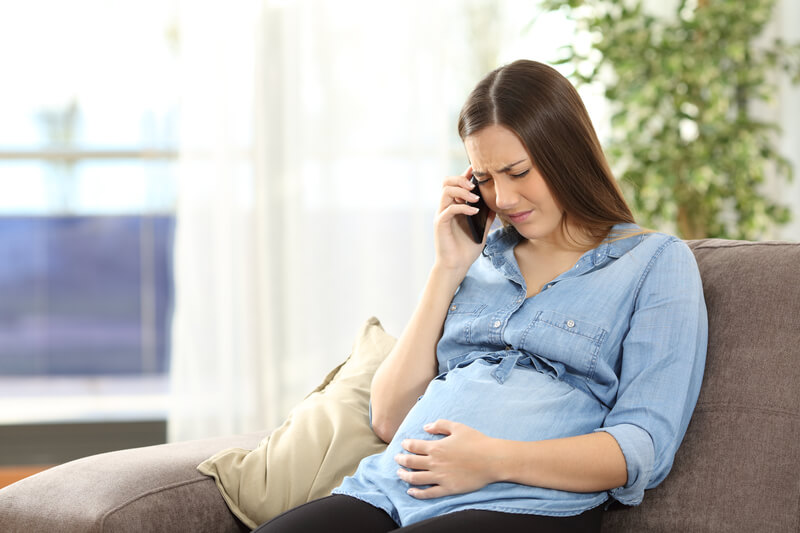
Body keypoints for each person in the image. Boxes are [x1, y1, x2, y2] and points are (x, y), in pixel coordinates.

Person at [254, 59, 708, 533]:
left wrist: (493, 459)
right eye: (486, 179)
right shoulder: (481, 260)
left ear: (567, 154)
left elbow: (642, 445)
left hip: (521, 501)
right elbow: (388, 419)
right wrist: (447, 267)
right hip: (387, 489)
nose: (503, 199)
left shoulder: (655, 263)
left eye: (518, 172)